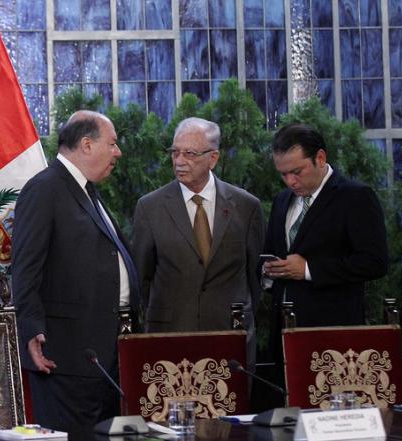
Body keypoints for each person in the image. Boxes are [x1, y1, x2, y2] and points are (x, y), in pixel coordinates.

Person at [12, 111, 139, 440]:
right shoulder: (44, 189)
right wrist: (31, 330)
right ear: (86, 145)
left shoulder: (87, 190)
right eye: (112, 144)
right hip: (66, 357)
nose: (118, 152)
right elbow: (25, 269)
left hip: (102, 353)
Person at [131, 117, 264, 362]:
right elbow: (141, 278)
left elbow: (254, 279)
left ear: (213, 158)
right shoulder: (149, 208)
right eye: (175, 152)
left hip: (231, 338)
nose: (179, 161)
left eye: (190, 153)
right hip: (170, 339)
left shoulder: (246, 206)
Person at [262, 124, 387, 332]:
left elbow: (375, 262)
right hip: (282, 329)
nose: (290, 181)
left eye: (296, 172)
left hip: (331, 331)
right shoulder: (282, 200)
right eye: (283, 174)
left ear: (320, 158)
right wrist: (269, 271)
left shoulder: (356, 196)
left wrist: (308, 269)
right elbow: (271, 252)